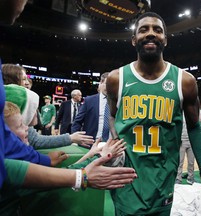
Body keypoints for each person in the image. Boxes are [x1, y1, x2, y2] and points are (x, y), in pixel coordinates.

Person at [0, 0, 136, 192]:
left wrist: (50, 160)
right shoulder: (20, 100)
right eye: (23, 125)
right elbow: (15, 164)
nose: (29, 128)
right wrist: (84, 171)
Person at [106, 12, 201, 215]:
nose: (151, 34)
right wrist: (116, 142)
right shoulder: (116, 78)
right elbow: (113, 116)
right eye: (143, 30)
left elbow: (194, 126)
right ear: (133, 40)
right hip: (126, 178)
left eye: (157, 30)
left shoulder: (184, 81)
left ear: (165, 40)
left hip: (163, 180)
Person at [5, 84, 95, 149]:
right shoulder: (10, 150)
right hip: (62, 127)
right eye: (34, 110)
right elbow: (37, 142)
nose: (37, 114)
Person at [72, 72, 110, 141]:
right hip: (91, 143)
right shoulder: (89, 100)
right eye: (107, 84)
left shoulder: (118, 101)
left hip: (111, 145)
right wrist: (76, 139)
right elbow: (77, 122)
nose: (109, 87)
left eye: (112, 85)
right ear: (100, 83)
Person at [176, 116, 195, 185]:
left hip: (191, 140)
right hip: (182, 141)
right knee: (180, 161)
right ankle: (178, 178)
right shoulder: (180, 114)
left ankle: (190, 177)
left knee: (191, 162)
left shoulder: (192, 113)